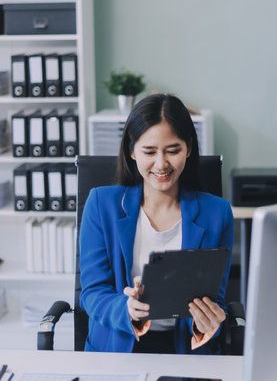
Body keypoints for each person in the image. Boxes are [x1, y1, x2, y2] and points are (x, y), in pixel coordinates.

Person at [79, 93, 234, 354]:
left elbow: (215, 298)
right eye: (149, 151)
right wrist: (125, 308)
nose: (161, 164)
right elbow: (92, 293)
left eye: (173, 151)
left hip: (187, 350)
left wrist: (207, 323)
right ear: (132, 151)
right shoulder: (101, 205)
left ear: (189, 148)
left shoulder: (217, 213)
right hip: (118, 346)